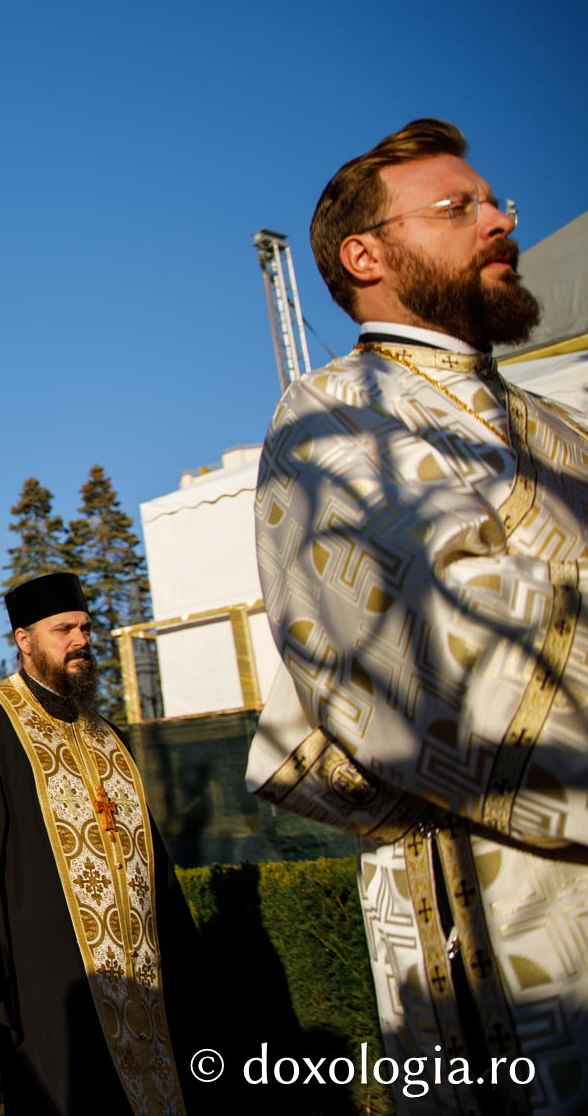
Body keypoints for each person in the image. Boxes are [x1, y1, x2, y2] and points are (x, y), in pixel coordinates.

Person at [245, 118, 587, 1112]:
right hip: (504, 914)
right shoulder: (339, 417)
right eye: (458, 207)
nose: (500, 221)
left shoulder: (563, 428)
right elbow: (455, 654)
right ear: (366, 256)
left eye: (495, 201)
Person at [0, 571, 197, 1116]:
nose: (80, 640)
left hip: (141, 981)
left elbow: (152, 860)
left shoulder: (107, 735)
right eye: (64, 630)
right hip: (49, 986)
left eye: (85, 628)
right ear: (25, 640)